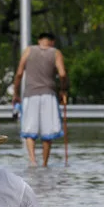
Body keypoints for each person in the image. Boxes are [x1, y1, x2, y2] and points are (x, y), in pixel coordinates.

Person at [12, 32, 68, 167]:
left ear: (39, 40)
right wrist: (63, 90)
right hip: (49, 94)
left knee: (29, 130)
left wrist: (15, 93)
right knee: (47, 133)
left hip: (30, 94)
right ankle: (44, 163)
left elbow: (19, 73)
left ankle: (33, 161)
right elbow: (62, 73)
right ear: (52, 42)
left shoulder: (28, 51)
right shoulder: (55, 53)